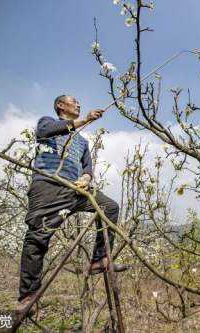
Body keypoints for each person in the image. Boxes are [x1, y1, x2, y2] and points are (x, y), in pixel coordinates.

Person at [17, 95, 128, 315]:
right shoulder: (47, 122)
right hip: (48, 186)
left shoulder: (82, 141)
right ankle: (28, 295)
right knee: (38, 238)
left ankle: (99, 258)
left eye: (79, 102)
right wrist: (85, 120)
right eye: (73, 101)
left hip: (76, 190)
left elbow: (87, 167)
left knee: (110, 207)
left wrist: (86, 178)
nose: (78, 104)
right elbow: (45, 133)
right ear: (60, 105)